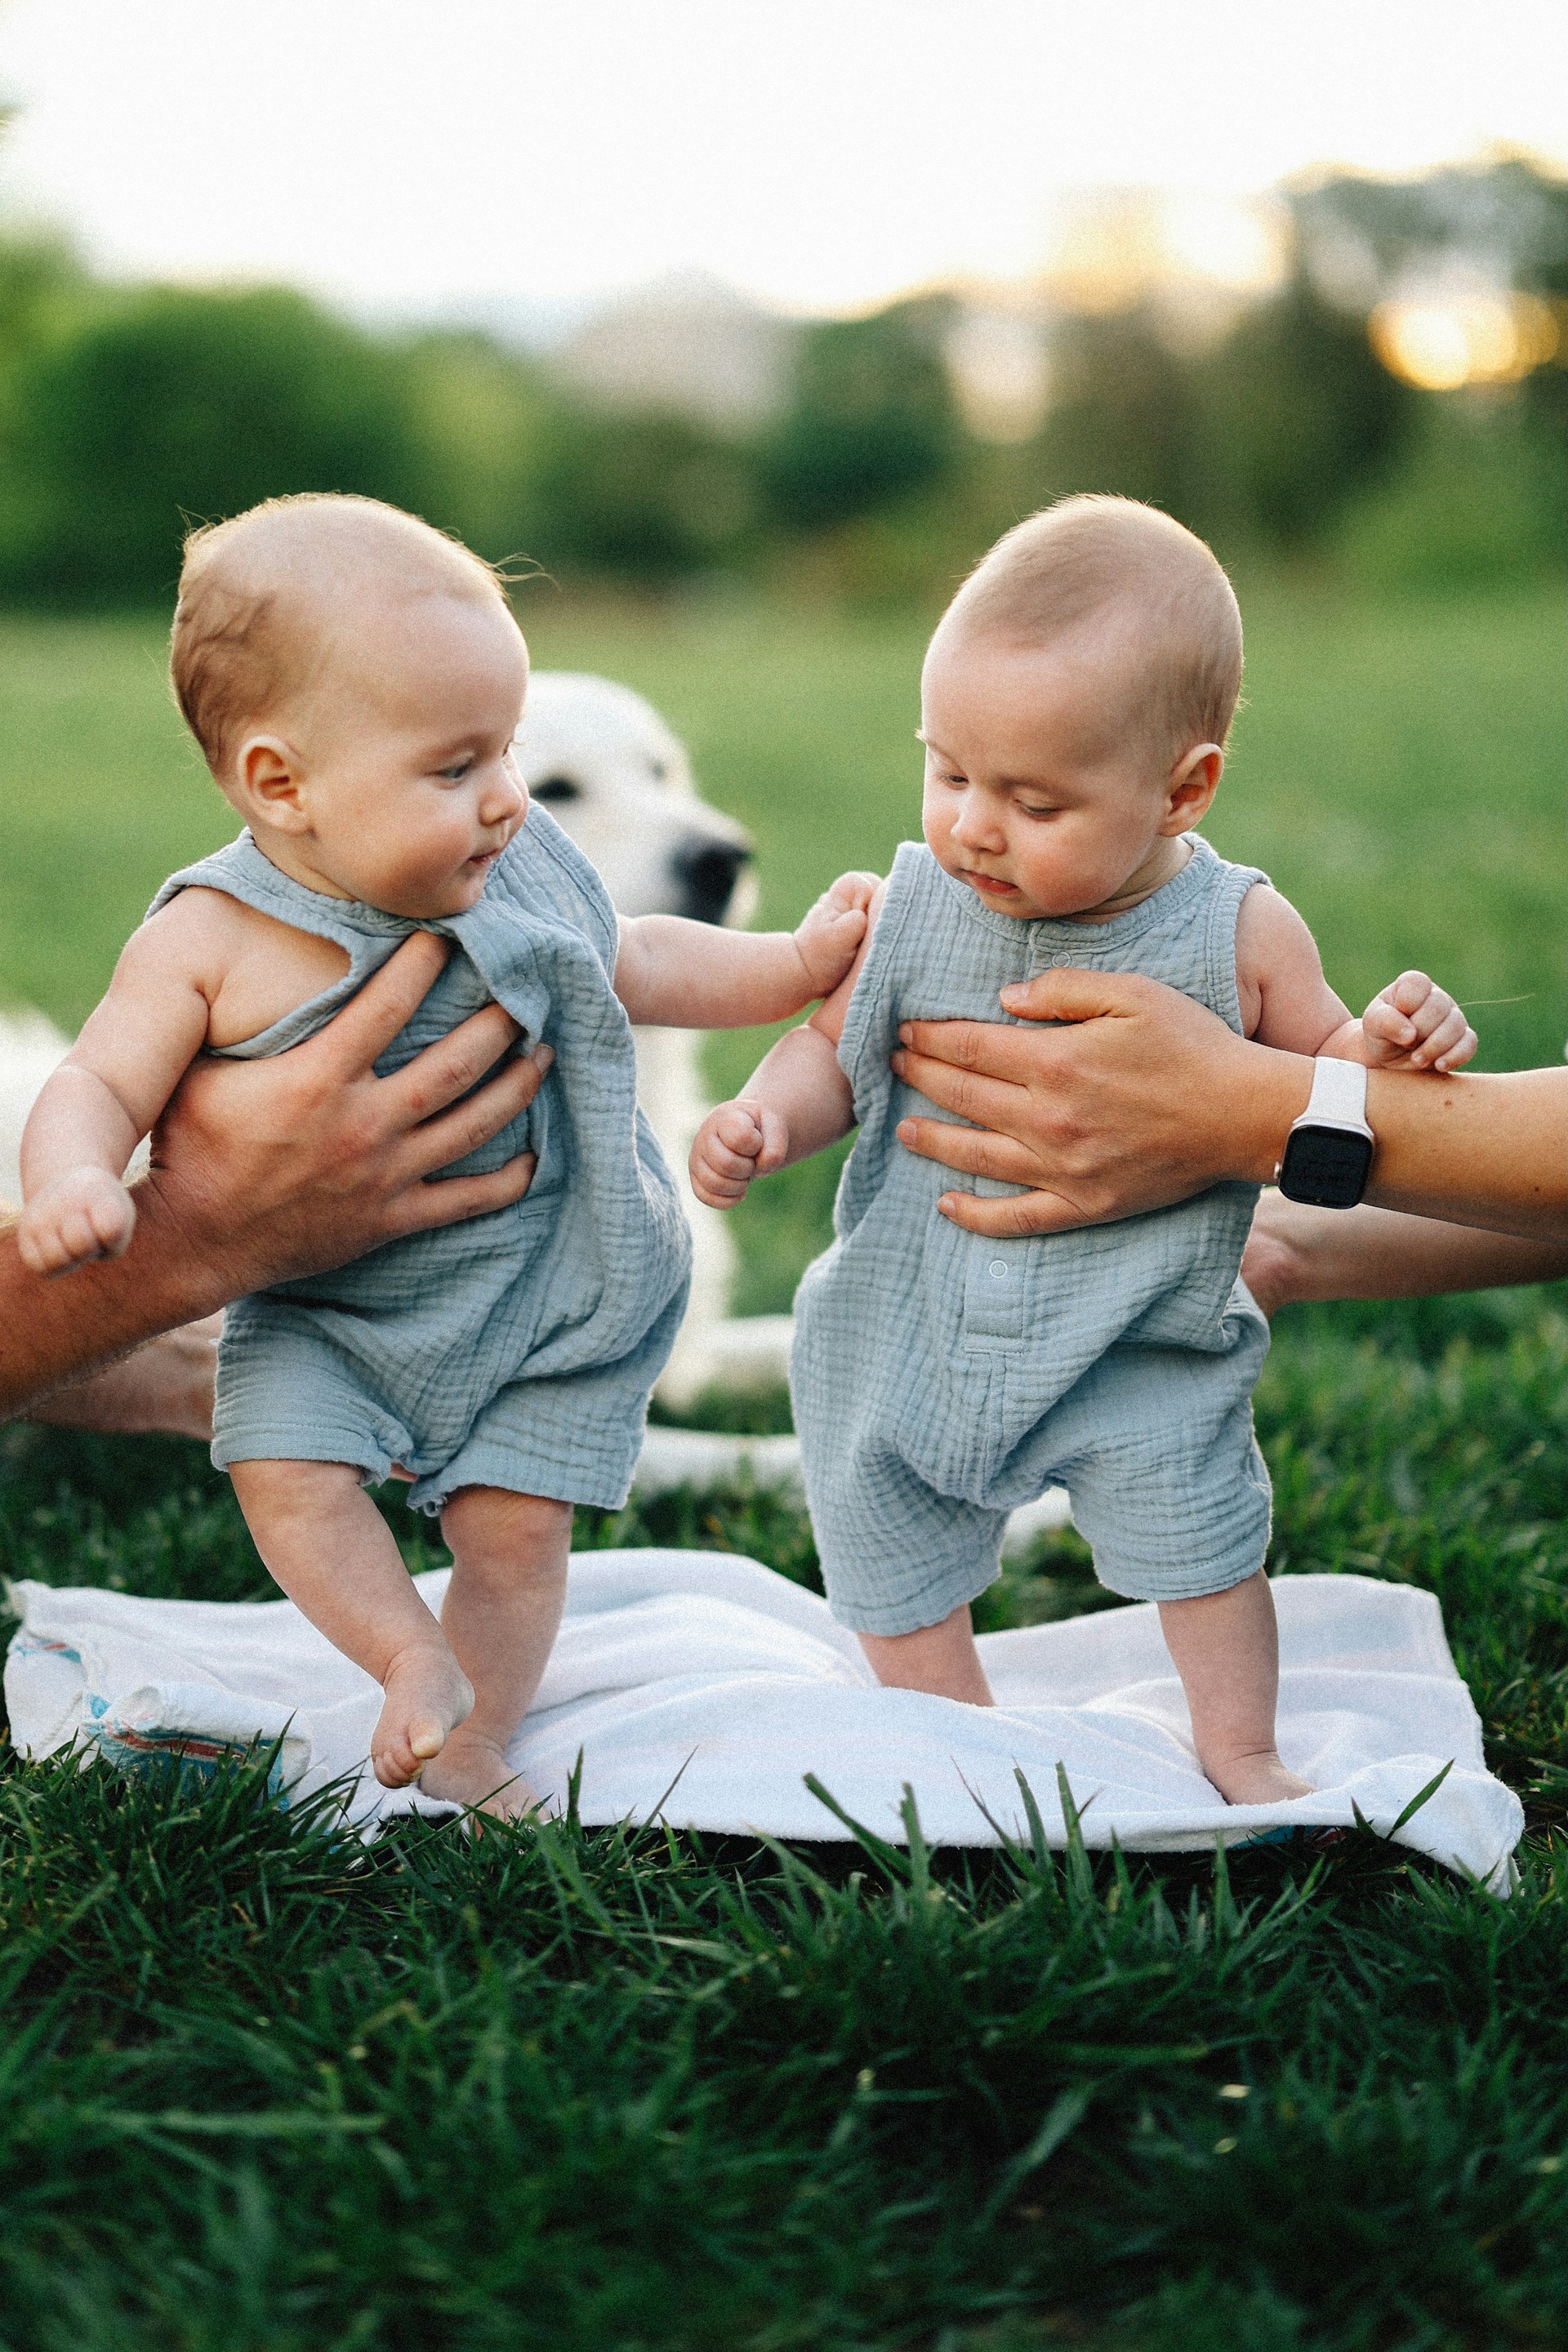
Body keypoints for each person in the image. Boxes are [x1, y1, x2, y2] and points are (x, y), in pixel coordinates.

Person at [17, 493, 875, 1819]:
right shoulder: (211, 935)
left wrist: (796, 966)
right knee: (289, 1480)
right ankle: (405, 1654)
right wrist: (76, 1179)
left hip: (526, 1294)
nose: (506, 802)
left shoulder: (523, 873)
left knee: (521, 1536)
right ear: (279, 783)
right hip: (326, 1312)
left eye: (507, 758)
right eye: (455, 766)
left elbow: (641, 958)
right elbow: (98, 1078)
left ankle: (478, 1735)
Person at [691, 495, 1477, 1808]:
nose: (975, 827)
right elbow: (834, 1049)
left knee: (1206, 1550)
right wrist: (768, 1118)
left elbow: (1333, 1082)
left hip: (1137, 1338)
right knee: (887, 1545)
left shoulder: (1238, 929)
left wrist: (1391, 1048)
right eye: (948, 773)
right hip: (910, 1323)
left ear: (1185, 787)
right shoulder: (909, 904)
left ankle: (1242, 1749)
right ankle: (959, 1738)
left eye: (1035, 800)